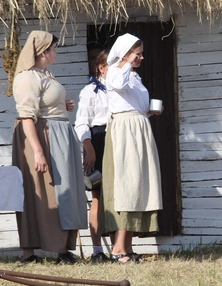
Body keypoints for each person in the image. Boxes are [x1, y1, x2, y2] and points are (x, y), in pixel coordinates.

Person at [11, 30, 86, 264]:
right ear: (43, 51)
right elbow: (26, 117)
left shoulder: (44, 74)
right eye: (54, 48)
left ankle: (63, 249)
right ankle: (30, 251)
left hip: (57, 135)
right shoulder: (27, 77)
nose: (56, 52)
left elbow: (45, 104)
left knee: (64, 192)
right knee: (45, 193)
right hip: (42, 137)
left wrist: (62, 105)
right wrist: (39, 151)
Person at [101, 33, 163, 264]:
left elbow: (134, 102)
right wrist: (126, 62)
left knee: (138, 184)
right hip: (125, 131)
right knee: (127, 184)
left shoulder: (133, 76)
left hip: (138, 127)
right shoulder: (115, 71)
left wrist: (149, 111)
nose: (141, 57)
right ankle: (118, 248)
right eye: (137, 53)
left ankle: (127, 246)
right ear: (125, 53)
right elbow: (116, 84)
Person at [75, 48, 112, 262]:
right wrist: (89, 149)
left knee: (119, 196)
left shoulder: (120, 88)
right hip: (98, 140)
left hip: (118, 138)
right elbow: (82, 122)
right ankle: (98, 250)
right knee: (97, 197)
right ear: (101, 68)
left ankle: (120, 247)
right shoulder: (90, 91)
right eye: (111, 66)